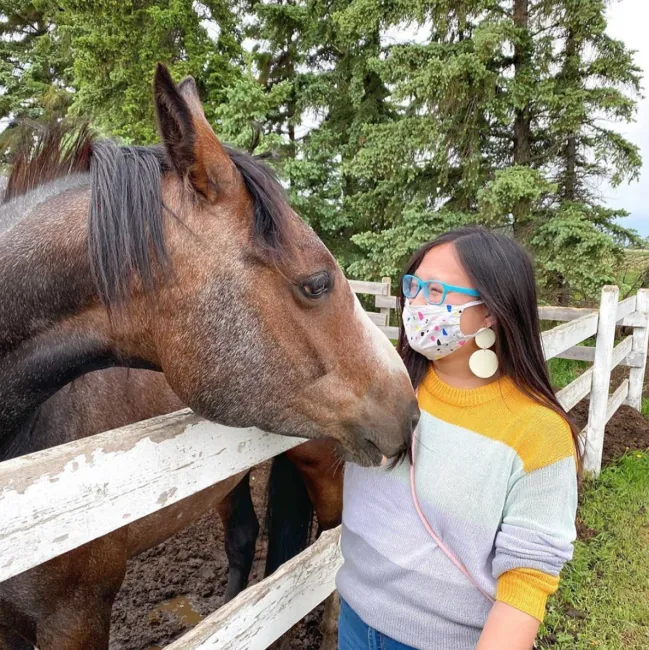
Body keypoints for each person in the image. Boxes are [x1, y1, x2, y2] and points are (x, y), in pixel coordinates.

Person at [337, 226, 579, 650]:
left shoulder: (538, 432)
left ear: (490, 313)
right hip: (354, 623)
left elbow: (526, 582)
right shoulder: (384, 391)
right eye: (413, 286)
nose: (415, 303)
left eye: (435, 292)